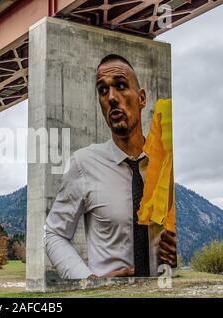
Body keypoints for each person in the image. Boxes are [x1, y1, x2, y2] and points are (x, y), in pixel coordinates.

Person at [45, 54, 177, 279]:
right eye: (103, 91)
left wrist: (173, 254)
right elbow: (53, 234)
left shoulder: (163, 164)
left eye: (121, 86)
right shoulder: (83, 164)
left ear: (142, 98)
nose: (112, 97)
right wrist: (88, 281)